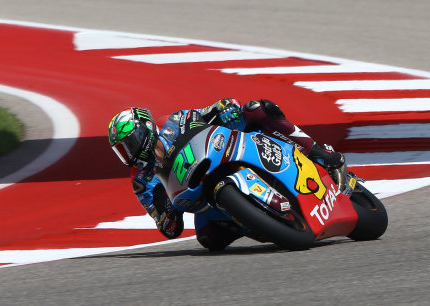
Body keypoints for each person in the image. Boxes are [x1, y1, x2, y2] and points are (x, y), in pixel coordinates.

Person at [107, 98, 346, 250]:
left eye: (130, 143)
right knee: (209, 239)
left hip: (224, 151)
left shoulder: (176, 121)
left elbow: (209, 112)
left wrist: (225, 108)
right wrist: (168, 213)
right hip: (204, 197)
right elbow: (168, 228)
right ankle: (258, 221)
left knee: (257, 109)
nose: (129, 153)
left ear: (146, 129)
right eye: (122, 151)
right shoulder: (141, 181)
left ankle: (316, 152)